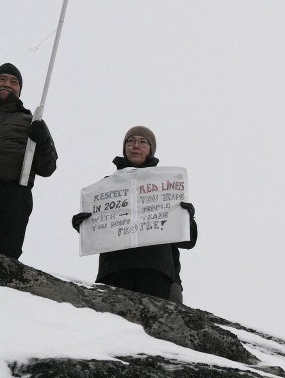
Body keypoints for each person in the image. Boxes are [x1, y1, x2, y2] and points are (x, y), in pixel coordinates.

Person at [72, 126, 196, 301]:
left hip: (157, 271)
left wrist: (187, 218)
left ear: (151, 149)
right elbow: (100, 232)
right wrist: (84, 226)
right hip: (114, 270)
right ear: (125, 148)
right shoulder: (105, 187)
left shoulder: (167, 185)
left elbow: (188, 242)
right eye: (130, 141)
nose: (136, 146)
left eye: (143, 142)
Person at [0, 63, 57, 261]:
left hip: (13, 194)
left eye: (13, 82)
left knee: (5, 259)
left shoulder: (31, 121)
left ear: (19, 89)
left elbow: (48, 167)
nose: (7, 84)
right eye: (2, 79)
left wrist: (41, 141)